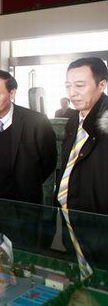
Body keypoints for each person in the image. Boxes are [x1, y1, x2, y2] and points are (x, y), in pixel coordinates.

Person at [0, 70, 56, 203]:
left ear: (12, 93)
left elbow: (49, 161)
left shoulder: (36, 122)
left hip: (24, 200)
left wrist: (30, 183)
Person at [55, 57, 108, 214]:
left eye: (79, 85)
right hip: (68, 215)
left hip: (97, 219)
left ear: (102, 85)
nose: (72, 93)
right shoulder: (73, 119)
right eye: (68, 86)